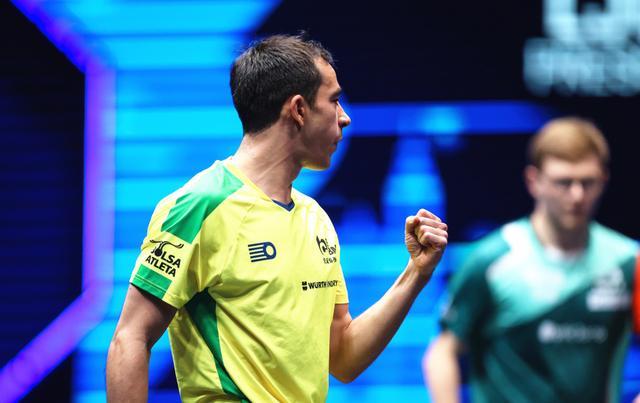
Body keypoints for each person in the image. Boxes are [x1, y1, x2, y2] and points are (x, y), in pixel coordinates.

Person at [106, 34, 448, 402]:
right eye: (334, 101)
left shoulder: (315, 218)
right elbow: (130, 338)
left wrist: (417, 273)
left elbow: (344, 358)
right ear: (299, 109)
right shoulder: (200, 206)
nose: (345, 118)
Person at [423, 117, 639, 403]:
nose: (577, 195)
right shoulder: (492, 260)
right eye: (564, 182)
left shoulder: (627, 261)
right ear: (534, 181)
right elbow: (443, 351)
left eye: (587, 182)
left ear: (603, 181)